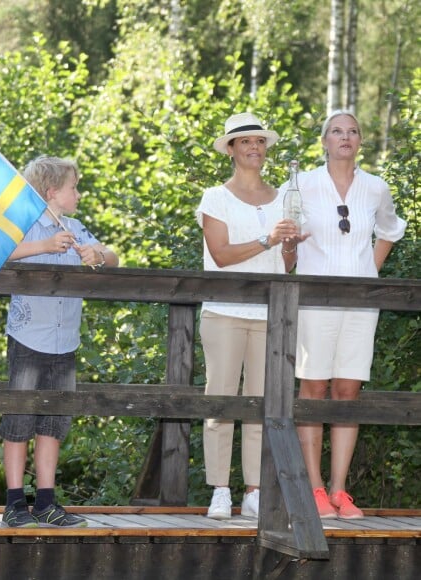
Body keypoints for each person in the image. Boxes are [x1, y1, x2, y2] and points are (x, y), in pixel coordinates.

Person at [285, 110, 407, 519]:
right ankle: (314, 489)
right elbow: (286, 236)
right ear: (324, 141)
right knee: (314, 388)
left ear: (359, 142)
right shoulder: (302, 183)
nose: (345, 137)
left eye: (353, 131)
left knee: (348, 390)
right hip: (315, 300)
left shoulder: (375, 187)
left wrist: (368, 272)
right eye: (337, 131)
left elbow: (391, 230)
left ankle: (339, 490)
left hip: (360, 302)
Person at [0, 155, 119, 528]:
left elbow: (114, 258)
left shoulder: (77, 227)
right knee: (19, 419)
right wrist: (45, 246)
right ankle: (15, 503)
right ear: (52, 192)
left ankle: (46, 501)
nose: (79, 194)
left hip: (65, 341)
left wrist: (97, 254)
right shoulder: (24, 227)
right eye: (74, 187)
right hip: (29, 336)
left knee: (53, 422)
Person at [196, 112, 300, 519]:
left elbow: (287, 264)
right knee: (220, 401)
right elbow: (221, 255)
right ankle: (220, 489)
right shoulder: (214, 197)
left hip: (269, 313)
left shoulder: (284, 197)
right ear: (231, 150)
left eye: (259, 142)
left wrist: (289, 245)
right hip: (223, 310)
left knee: (262, 403)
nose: (254, 148)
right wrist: (267, 238)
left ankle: (254, 489)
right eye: (245, 142)